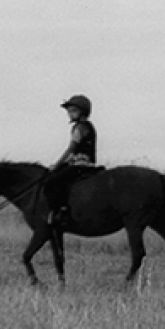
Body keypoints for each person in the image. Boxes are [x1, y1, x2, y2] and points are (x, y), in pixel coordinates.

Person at [44, 94, 99, 228]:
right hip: (83, 163)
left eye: (73, 111)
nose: (69, 114)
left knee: (52, 182)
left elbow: (71, 149)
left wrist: (56, 165)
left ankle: (62, 211)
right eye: (69, 111)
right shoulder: (87, 126)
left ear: (82, 111)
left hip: (81, 165)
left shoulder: (80, 127)